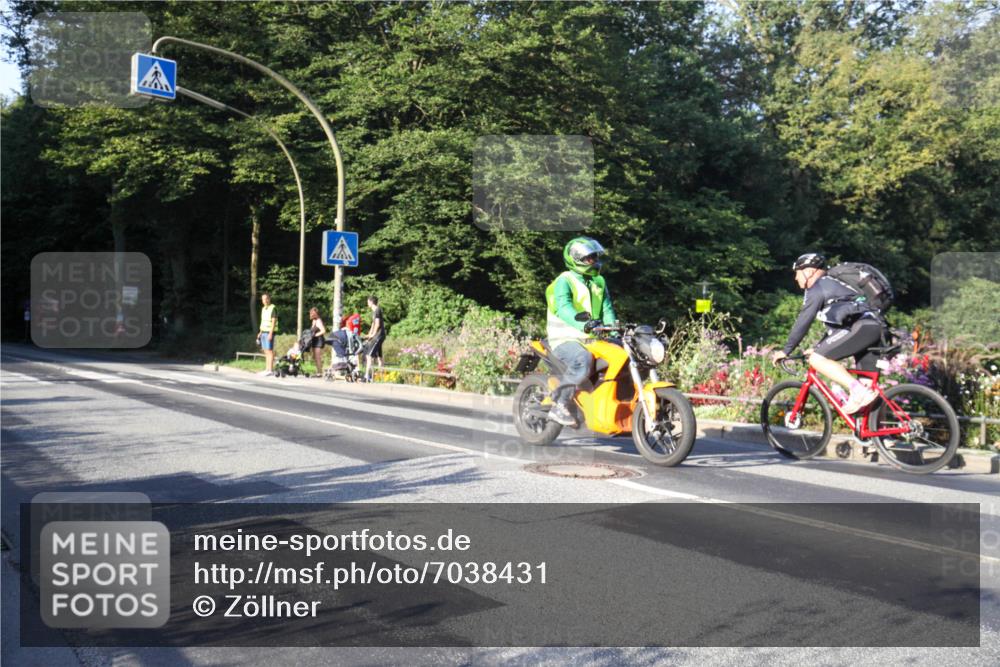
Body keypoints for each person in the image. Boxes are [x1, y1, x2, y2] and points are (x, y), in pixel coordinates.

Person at [771, 253, 886, 414]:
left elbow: (804, 320)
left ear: (809, 271)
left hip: (860, 327)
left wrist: (786, 350)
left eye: (797, 273)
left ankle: (858, 390)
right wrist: (818, 346)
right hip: (873, 327)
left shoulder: (818, 287)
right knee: (868, 393)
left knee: (817, 359)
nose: (796, 278)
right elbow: (840, 325)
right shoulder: (833, 284)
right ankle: (876, 428)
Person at [545, 237, 617, 426]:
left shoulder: (599, 282)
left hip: (590, 339)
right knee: (582, 359)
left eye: (595, 257)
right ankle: (559, 404)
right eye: (589, 258)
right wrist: (584, 324)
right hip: (564, 338)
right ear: (575, 259)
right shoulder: (564, 280)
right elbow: (564, 308)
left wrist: (614, 331)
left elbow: (607, 309)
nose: (594, 261)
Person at [363, 296, 385, 382]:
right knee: (379, 356)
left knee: (369, 355)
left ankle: (367, 376)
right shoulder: (374, 311)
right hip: (378, 335)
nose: (367, 303)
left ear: (371, 302)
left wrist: (373, 335)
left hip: (378, 335)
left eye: (368, 302)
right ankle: (381, 377)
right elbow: (373, 324)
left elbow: (377, 324)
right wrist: (369, 334)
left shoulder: (377, 310)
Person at [257, 293, 278, 376]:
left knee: (269, 351)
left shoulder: (273, 308)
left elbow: (273, 322)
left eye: (266, 299)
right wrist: (260, 332)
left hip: (269, 332)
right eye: (263, 299)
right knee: (265, 351)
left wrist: (270, 333)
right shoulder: (263, 309)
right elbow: (263, 322)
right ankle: (267, 369)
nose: (264, 300)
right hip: (263, 332)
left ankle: (270, 370)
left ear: (269, 299)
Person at [308, 307, 327, 377]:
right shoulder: (314, 321)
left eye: (312, 313)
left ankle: (320, 373)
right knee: (315, 357)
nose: (311, 315)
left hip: (319, 341)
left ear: (316, 314)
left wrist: (316, 335)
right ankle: (318, 371)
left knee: (317, 357)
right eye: (310, 313)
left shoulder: (318, 321)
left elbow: (323, 331)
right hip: (314, 340)